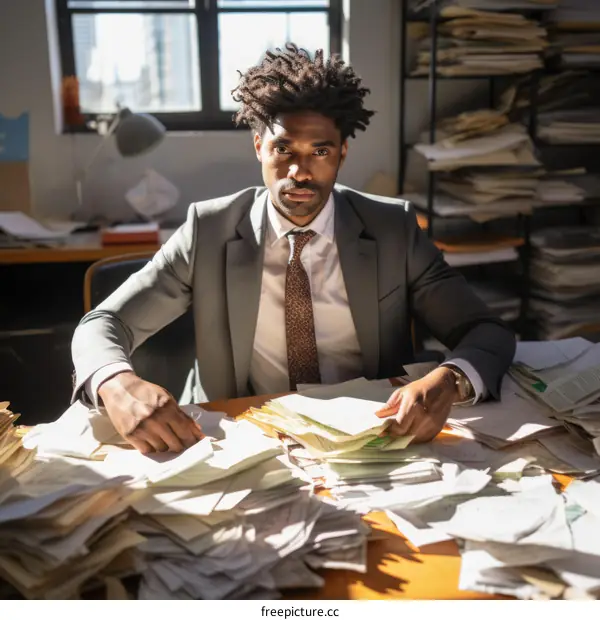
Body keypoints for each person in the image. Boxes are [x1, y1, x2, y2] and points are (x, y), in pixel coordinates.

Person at [71, 44, 516, 454]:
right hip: (244, 434)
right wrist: (116, 382)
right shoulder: (207, 231)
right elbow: (103, 324)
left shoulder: (393, 228)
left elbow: (486, 332)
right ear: (259, 146)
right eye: (283, 149)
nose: (300, 172)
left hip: (372, 435)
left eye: (320, 151)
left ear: (342, 153)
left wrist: (449, 379)